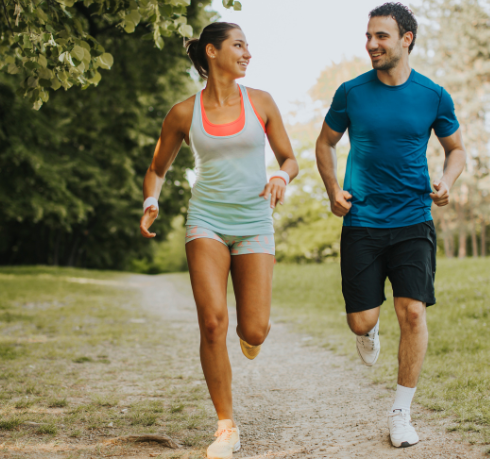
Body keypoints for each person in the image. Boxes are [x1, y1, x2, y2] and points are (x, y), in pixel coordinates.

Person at [139, 22, 298, 459]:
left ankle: (252, 335)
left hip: (254, 221)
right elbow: (157, 167)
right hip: (206, 220)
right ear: (212, 52)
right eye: (239, 45)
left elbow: (289, 158)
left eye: (248, 46)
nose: (248, 53)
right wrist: (151, 199)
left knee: (254, 329)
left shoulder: (261, 102)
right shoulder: (183, 113)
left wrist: (281, 176)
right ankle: (226, 426)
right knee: (212, 322)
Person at [315, 3, 466, 448]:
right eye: (368, 36)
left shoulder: (433, 95)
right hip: (362, 220)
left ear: (406, 39)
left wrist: (446, 181)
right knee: (360, 320)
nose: (371, 44)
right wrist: (332, 189)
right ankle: (369, 328)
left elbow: (456, 149)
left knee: (413, 312)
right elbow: (325, 143)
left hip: (413, 218)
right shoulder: (351, 93)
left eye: (381, 36)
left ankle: (401, 412)